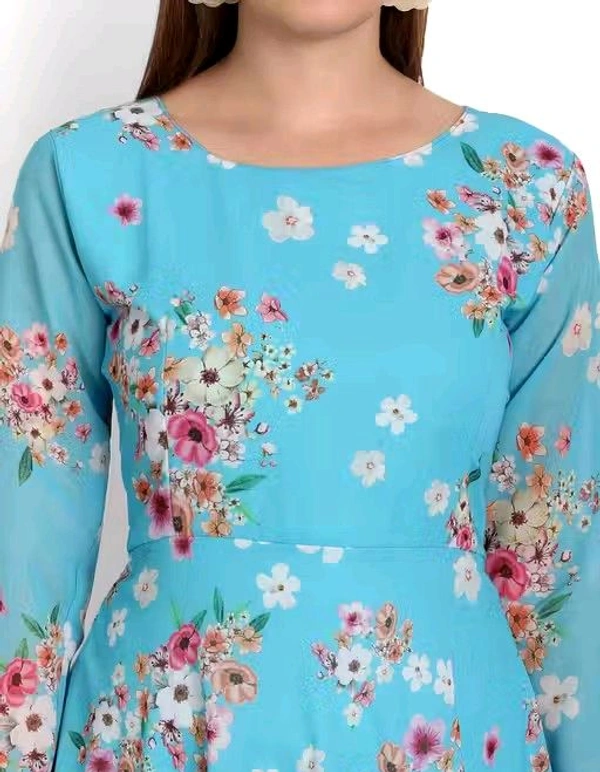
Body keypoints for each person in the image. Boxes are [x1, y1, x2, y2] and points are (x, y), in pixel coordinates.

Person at [0, 1, 598, 770]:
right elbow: (23, 557)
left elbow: (560, 571)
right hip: (166, 738)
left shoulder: (527, 190)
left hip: (450, 739)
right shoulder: (89, 175)